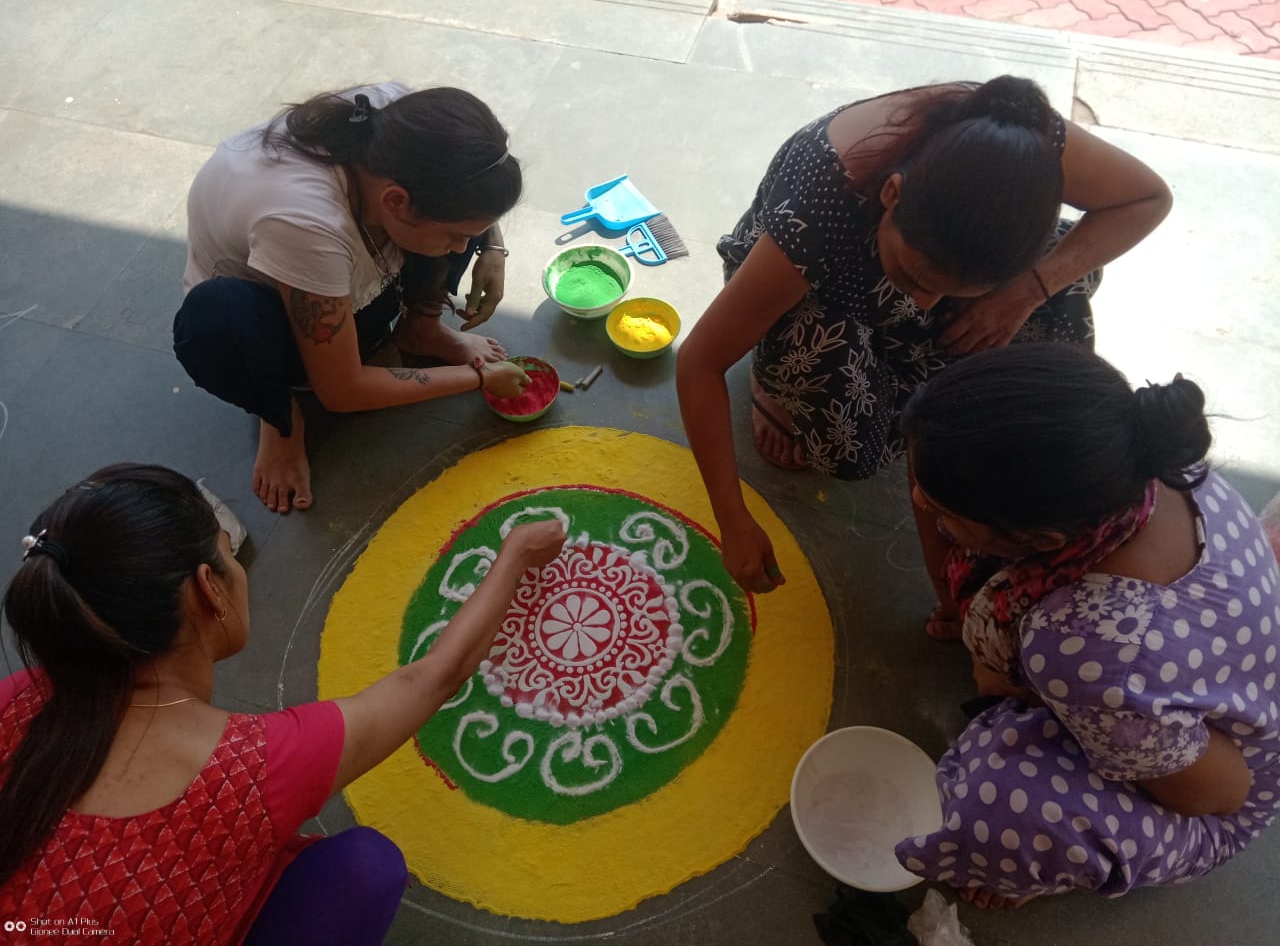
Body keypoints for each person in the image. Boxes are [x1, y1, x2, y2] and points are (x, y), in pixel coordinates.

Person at [0, 464, 566, 943]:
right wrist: (514, 555)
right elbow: (430, 680)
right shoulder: (250, 769)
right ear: (208, 588)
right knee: (365, 868)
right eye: (229, 554)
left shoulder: (16, 696)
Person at [676, 75, 1172, 598]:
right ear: (892, 194)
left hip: (946, 265)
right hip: (813, 288)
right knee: (852, 452)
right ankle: (774, 380)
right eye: (914, 280)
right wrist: (733, 521)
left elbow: (1147, 198)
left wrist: (1024, 291)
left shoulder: (1025, 148)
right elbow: (699, 362)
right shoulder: (821, 209)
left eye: (950, 291)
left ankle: (939, 342)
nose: (923, 307)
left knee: (1060, 321)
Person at [893, 344, 1280, 909]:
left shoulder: (1084, 646)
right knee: (946, 490)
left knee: (995, 802)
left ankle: (1040, 867)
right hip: (1187, 697)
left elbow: (1223, 792)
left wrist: (1027, 687)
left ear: (1045, 541)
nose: (922, 505)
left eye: (947, 514)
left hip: (1217, 798)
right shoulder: (1153, 465)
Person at [174, 82, 533, 515]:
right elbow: (342, 392)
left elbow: (468, 192)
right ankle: (279, 413)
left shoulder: (398, 119)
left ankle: (421, 330)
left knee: (440, 236)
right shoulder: (306, 225)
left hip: (339, 266)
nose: (464, 248)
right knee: (217, 324)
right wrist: (478, 377)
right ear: (396, 201)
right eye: (460, 235)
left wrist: (491, 248)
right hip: (263, 310)